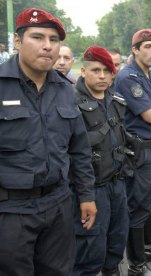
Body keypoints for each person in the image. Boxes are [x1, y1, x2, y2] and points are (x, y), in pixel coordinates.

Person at [0, 8, 96, 275]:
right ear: (17, 42)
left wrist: (87, 195)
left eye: (54, 40)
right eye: (38, 37)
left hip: (58, 206)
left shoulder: (66, 90)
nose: (47, 46)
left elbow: (79, 149)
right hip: (10, 212)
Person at [113, 28, 151, 276]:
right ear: (135, 50)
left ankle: (150, 248)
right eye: (148, 46)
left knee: (150, 203)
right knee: (137, 207)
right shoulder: (129, 77)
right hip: (140, 151)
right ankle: (136, 265)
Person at [71, 46, 130, 276]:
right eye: (96, 70)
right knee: (89, 249)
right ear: (83, 71)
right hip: (90, 189)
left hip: (117, 183)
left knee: (116, 240)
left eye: (108, 70)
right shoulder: (71, 103)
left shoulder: (116, 100)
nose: (103, 75)